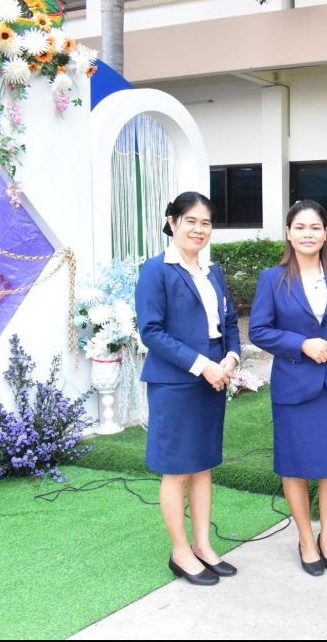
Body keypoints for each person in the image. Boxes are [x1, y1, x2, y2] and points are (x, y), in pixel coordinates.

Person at [250, 200, 327, 577]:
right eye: (300, 227)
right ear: (288, 233)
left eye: (315, 227)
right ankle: (305, 538)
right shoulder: (272, 278)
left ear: (326, 233)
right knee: (294, 464)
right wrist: (302, 344)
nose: (308, 234)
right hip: (294, 385)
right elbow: (259, 330)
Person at [135, 192, 240, 586]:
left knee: (202, 465)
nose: (199, 229)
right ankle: (180, 552)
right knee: (177, 469)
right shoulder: (156, 270)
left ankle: (202, 545)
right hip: (176, 382)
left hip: (213, 377)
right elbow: (152, 332)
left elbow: (230, 322)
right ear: (172, 222)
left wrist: (231, 358)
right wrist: (203, 366)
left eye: (206, 222)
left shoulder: (213, 271)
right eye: (191, 221)